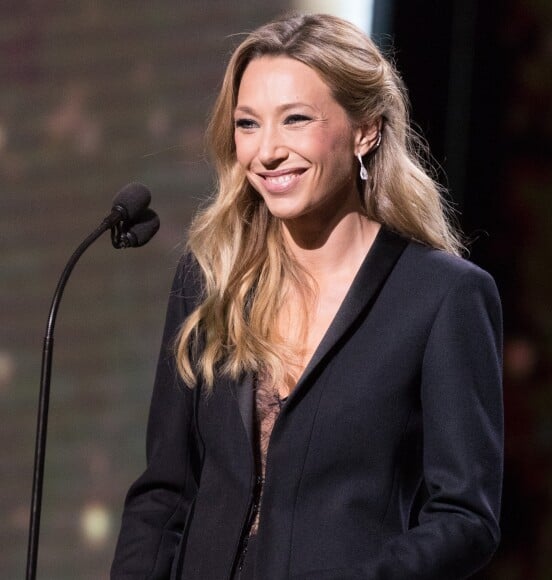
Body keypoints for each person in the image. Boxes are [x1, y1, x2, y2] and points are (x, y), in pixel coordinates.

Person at [110, 13, 503, 580]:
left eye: (295, 120)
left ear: (366, 129)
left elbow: (466, 517)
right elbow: (163, 495)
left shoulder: (444, 296)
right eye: (248, 124)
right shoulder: (210, 278)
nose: (266, 152)